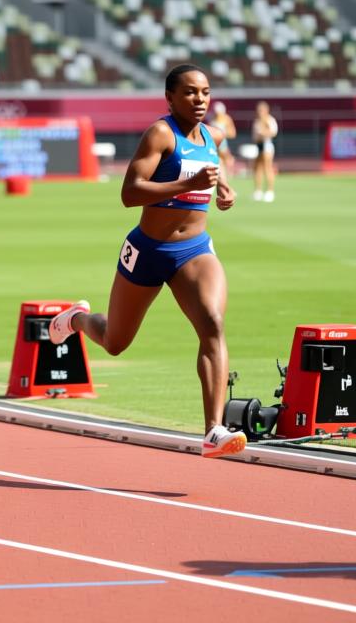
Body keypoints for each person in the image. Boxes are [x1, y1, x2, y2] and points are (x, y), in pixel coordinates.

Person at [46, 64, 247, 458]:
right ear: (170, 98)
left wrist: (223, 188)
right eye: (189, 92)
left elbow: (213, 160)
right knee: (115, 341)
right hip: (148, 250)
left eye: (205, 91)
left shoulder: (213, 134)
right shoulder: (160, 134)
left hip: (194, 250)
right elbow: (130, 192)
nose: (200, 99)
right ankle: (77, 319)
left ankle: (214, 430)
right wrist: (188, 185)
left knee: (213, 323)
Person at [251, 100, 278, 202]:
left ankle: (270, 191)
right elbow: (254, 135)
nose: (260, 112)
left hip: (266, 145)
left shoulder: (269, 120)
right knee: (257, 168)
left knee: (267, 167)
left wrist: (263, 132)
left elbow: (273, 132)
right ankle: (258, 191)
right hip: (258, 145)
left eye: (261, 110)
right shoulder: (257, 121)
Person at [209, 101, 238, 179]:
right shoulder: (212, 119)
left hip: (222, 143)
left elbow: (233, 133)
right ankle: (221, 176)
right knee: (218, 161)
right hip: (213, 144)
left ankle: (228, 174)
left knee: (225, 159)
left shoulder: (227, 119)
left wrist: (222, 133)